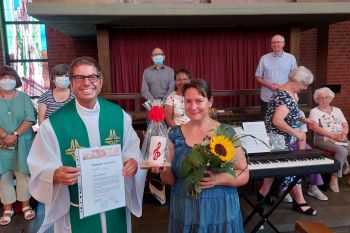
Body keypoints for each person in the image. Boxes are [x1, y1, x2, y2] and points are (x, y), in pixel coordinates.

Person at [27, 56, 147, 233]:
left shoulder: (118, 115)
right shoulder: (53, 125)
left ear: (100, 81)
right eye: (79, 78)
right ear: (72, 83)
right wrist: (54, 175)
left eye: (92, 77)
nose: (86, 83)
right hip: (75, 209)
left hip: (115, 204)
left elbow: (132, 149)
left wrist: (133, 162)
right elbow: (38, 166)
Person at [152, 79, 249, 232]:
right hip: (185, 210)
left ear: (210, 101)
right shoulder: (174, 134)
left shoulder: (226, 132)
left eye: (199, 100)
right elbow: (170, 180)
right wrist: (164, 171)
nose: (193, 106)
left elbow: (243, 173)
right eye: (188, 101)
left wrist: (218, 179)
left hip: (220, 209)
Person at [258, 66, 317, 216]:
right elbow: (277, 121)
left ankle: (262, 195)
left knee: (274, 170)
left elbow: (290, 114)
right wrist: (297, 133)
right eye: (304, 85)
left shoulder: (290, 93)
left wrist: (303, 119)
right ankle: (299, 201)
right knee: (292, 168)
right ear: (297, 81)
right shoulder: (283, 96)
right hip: (276, 138)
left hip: (280, 137)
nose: (305, 88)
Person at [0, 65, 36, 225]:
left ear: (16, 79)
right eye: (3, 77)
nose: (7, 80)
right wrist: (5, 136)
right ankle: (7, 208)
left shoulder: (24, 97)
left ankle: (26, 206)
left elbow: (30, 118)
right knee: (4, 176)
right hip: (1, 143)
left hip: (22, 142)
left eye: (10, 77)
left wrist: (14, 135)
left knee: (23, 174)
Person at [307, 87, 350, 192]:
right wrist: (334, 136)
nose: (324, 100)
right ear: (317, 99)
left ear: (331, 98)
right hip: (323, 139)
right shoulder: (314, 111)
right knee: (342, 150)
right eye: (321, 98)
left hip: (340, 137)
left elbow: (345, 124)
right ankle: (334, 178)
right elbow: (316, 128)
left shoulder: (337, 110)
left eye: (327, 97)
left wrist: (344, 133)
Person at [255, 34, 297, 118]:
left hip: (285, 95)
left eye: (278, 42)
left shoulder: (291, 58)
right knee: (266, 121)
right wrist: (269, 85)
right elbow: (258, 76)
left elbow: (295, 77)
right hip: (267, 96)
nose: (275, 44)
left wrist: (282, 86)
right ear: (271, 44)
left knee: (283, 121)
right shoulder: (264, 58)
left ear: (283, 44)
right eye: (273, 42)